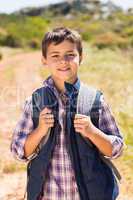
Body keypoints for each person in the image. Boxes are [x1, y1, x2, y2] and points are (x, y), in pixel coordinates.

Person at [11, 27, 124, 200]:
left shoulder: (94, 100)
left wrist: (92, 132)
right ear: (44, 59)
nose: (63, 61)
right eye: (55, 55)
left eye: (70, 55)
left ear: (81, 57)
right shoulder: (35, 102)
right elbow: (19, 151)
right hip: (49, 195)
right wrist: (40, 130)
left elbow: (115, 149)